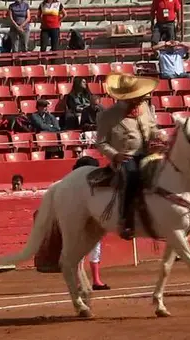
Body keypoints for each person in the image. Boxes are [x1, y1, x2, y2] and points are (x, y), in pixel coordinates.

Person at [95, 73, 164, 240]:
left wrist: (158, 136)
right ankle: (126, 220)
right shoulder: (108, 115)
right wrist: (115, 155)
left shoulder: (145, 107)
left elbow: (153, 127)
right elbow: (101, 143)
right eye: (137, 96)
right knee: (132, 177)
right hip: (126, 157)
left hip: (149, 153)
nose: (141, 99)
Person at [72, 156, 110, 290]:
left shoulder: (93, 182)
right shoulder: (73, 184)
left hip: (93, 219)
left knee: (95, 249)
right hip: (78, 220)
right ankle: (80, 281)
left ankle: (96, 280)